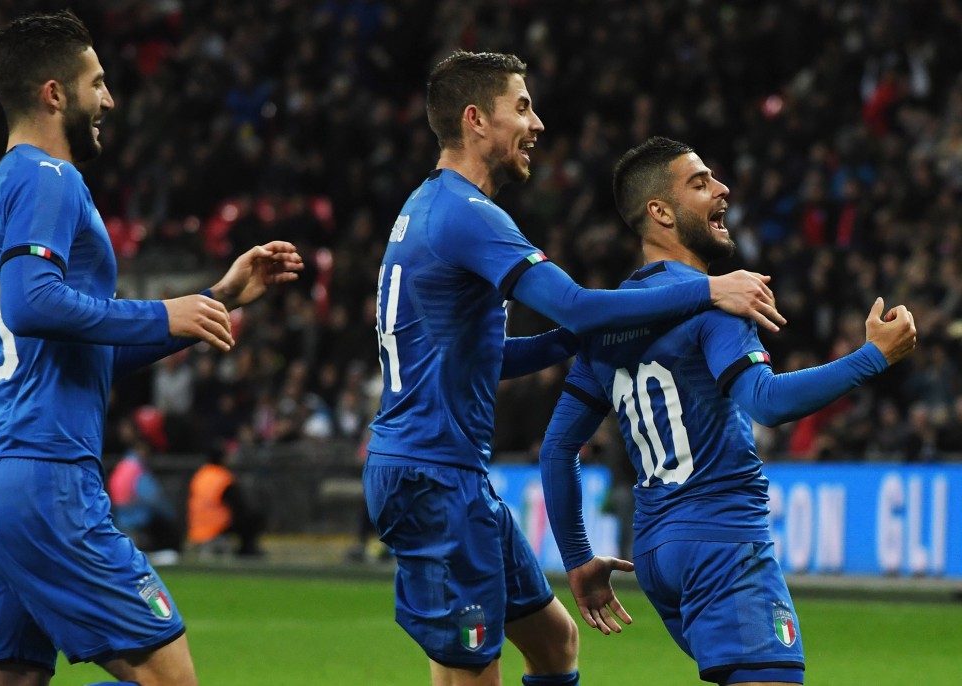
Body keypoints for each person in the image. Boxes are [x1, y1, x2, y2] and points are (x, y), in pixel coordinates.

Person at [363, 51, 786, 686]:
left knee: (555, 641)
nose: (536, 124)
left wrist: (576, 342)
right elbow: (578, 305)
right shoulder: (467, 215)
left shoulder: (425, 209)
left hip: (445, 472)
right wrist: (709, 291)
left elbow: (491, 356)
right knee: (469, 672)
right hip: (433, 478)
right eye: (523, 107)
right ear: (476, 120)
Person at [0, 10, 302, 686]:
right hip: (44, 479)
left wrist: (212, 301)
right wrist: (166, 311)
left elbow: (75, 351)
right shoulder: (50, 178)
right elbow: (32, 301)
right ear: (54, 93)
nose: (109, 99)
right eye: (97, 83)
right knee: (171, 678)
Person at [538, 136, 917, 686]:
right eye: (700, 183)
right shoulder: (717, 297)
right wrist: (872, 357)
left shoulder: (607, 321)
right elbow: (766, 401)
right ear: (660, 212)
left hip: (656, 552)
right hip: (722, 539)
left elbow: (557, 450)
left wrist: (577, 558)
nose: (723, 189)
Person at [108, 430, 182, 562]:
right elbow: (152, 497)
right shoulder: (137, 468)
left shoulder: (122, 465)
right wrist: (170, 514)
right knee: (168, 528)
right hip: (138, 518)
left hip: (120, 519)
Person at [187, 446, 264, 557]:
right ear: (223, 458)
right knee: (254, 517)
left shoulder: (200, 475)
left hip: (196, 530)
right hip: (216, 528)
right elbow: (240, 507)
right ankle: (247, 550)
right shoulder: (222, 478)